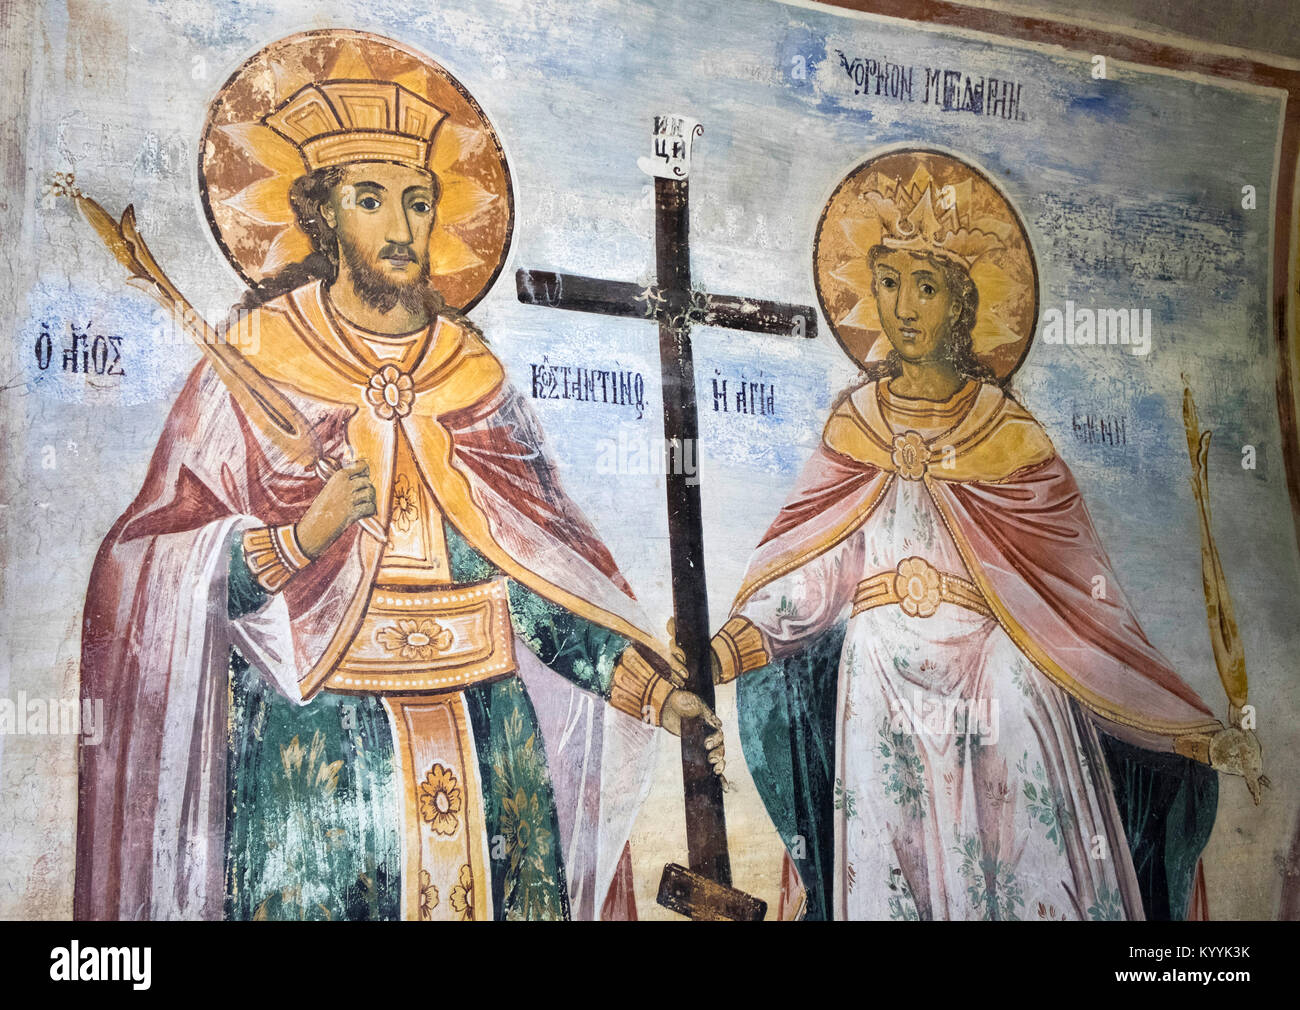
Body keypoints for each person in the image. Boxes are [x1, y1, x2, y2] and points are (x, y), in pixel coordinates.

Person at [76, 68, 722, 921]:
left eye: (417, 201)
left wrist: (649, 691)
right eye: (371, 198)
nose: (401, 226)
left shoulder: (472, 373)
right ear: (323, 217)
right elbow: (148, 560)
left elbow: (536, 575)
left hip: (491, 737)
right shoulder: (257, 356)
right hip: (318, 750)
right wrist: (300, 538)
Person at [711, 165, 1261, 920]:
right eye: (889, 282)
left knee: (1025, 872)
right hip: (881, 686)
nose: (903, 307)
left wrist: (1184, 731)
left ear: (963, 304)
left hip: (1000, 682)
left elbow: (1082, 611)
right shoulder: (855, 427)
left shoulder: (1010, 436)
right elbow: (813, 574)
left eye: (926, 287)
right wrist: (725, 652)